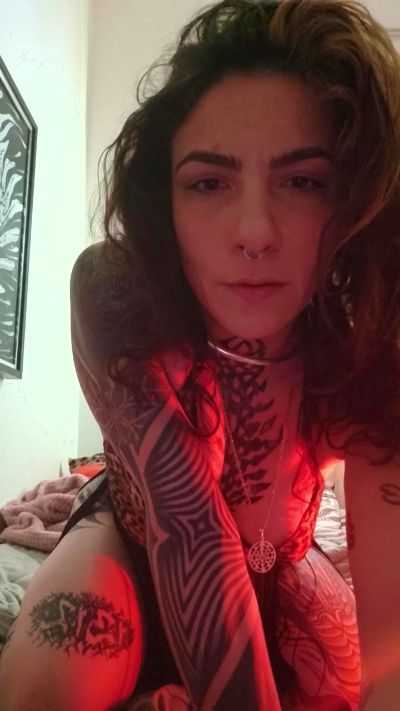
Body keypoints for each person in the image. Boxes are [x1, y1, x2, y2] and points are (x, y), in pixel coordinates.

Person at [1, 0, 400, 708]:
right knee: (52, 680)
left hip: (282, 557)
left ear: (354, 202)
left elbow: (392, 625)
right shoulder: (121, 296)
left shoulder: (364, 348)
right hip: (126, 543)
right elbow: (185, 523)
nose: (254, 231)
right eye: (209, 182)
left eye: (303, 181)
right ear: (166, 201)